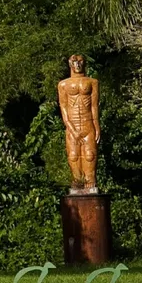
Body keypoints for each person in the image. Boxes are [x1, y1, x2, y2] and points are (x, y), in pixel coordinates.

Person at [57, 54, 100, 192]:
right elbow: (63, 108)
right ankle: (77, 181)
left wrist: (97, 125)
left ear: (84, 63)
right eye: (74, 61)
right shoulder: (63, 84)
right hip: (72, 125)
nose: (77, 65)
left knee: (90, 155)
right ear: (69, 64)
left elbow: (94, 106)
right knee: (73, 155)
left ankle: (90, 181)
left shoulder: (93, 82)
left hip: (88, 123)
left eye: (80, 61)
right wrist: (71, 128)